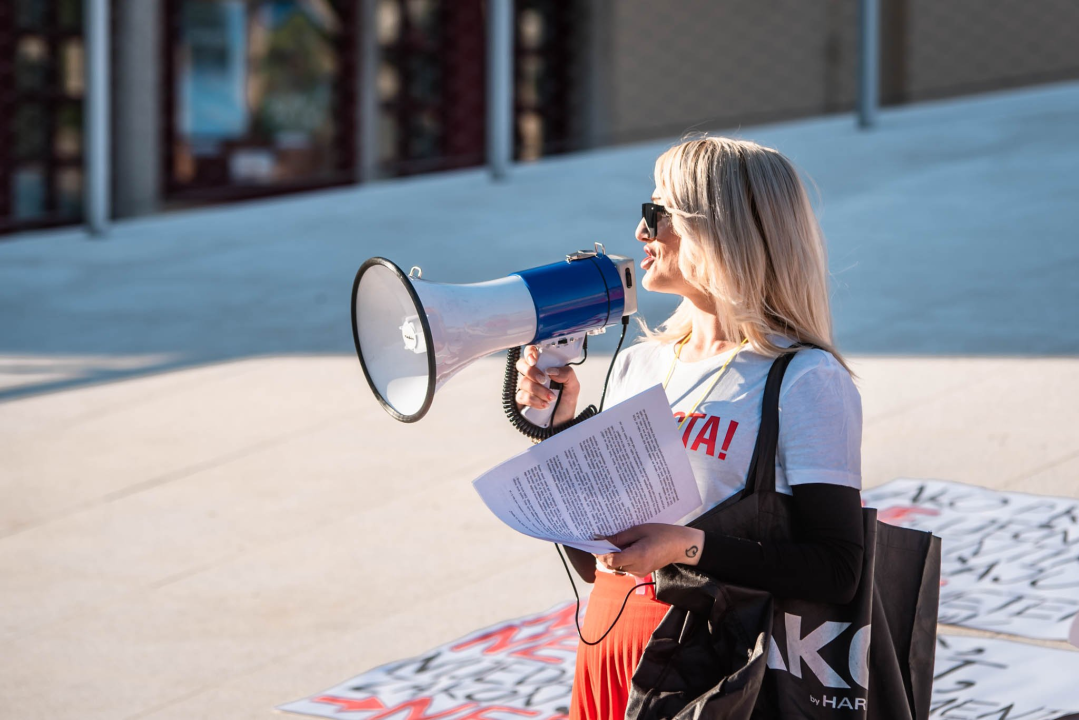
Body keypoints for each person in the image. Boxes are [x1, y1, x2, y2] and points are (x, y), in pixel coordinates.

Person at [514, 137, 864, 720]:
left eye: (656, 214)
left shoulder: (803, 378)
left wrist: (685, 546)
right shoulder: (639, 364)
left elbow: (837, 571)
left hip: (708, 675)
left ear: (719, 231)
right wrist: (560, 430)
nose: (639, 232)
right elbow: (601, 562)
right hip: (609, 653)